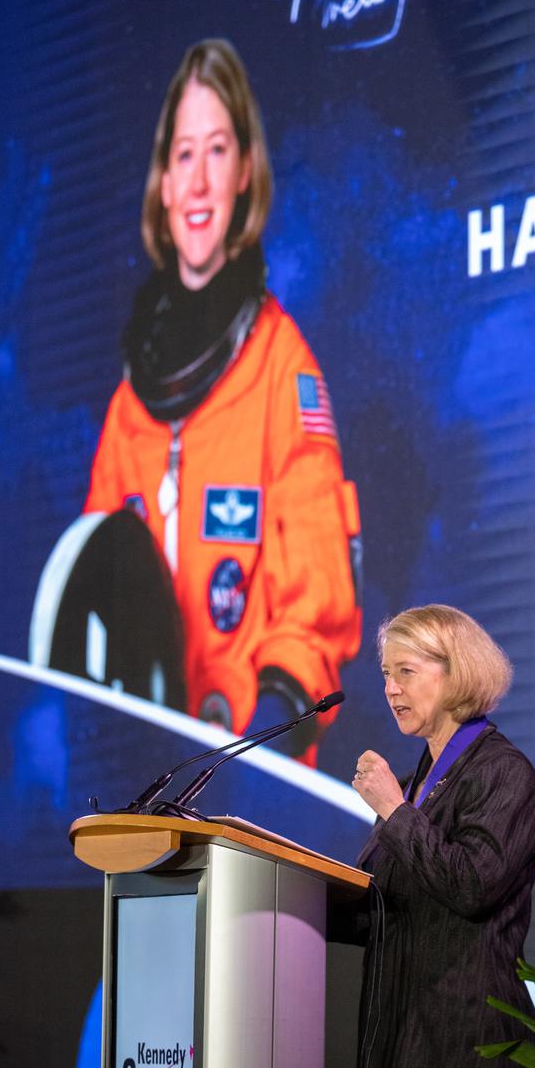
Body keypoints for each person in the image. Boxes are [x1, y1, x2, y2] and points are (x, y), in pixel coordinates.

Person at [83, 39, 362, 765]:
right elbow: (88, 602)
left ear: (245, 173)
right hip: (142, 782)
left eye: (217, 151)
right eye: (184, 156)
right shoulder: (129, 409)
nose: (200, 181)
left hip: (245, 788)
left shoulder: (280, 366)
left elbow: (317, 598)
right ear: (163, 185)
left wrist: (263, 741)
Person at [349, 604, 535, 1068]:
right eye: (386, 675)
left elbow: (471, 886)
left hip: (469, 1049)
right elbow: (383, 906)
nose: (391, 689)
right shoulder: (416, 784)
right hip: (399, 1038)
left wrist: (394, 810)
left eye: (406, 672)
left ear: (456, 673)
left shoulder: (503, 773)